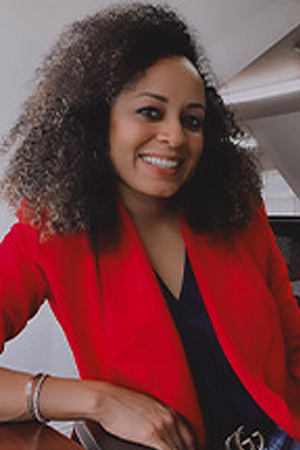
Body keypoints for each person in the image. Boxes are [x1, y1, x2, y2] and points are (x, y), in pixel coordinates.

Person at [0, 3, 300, 450]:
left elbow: (293, 344)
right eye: (150, 112)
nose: (176, 137)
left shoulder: (238, 212)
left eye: (192, 120)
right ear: (100, 121)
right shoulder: (48, 232)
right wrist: (98, 400)